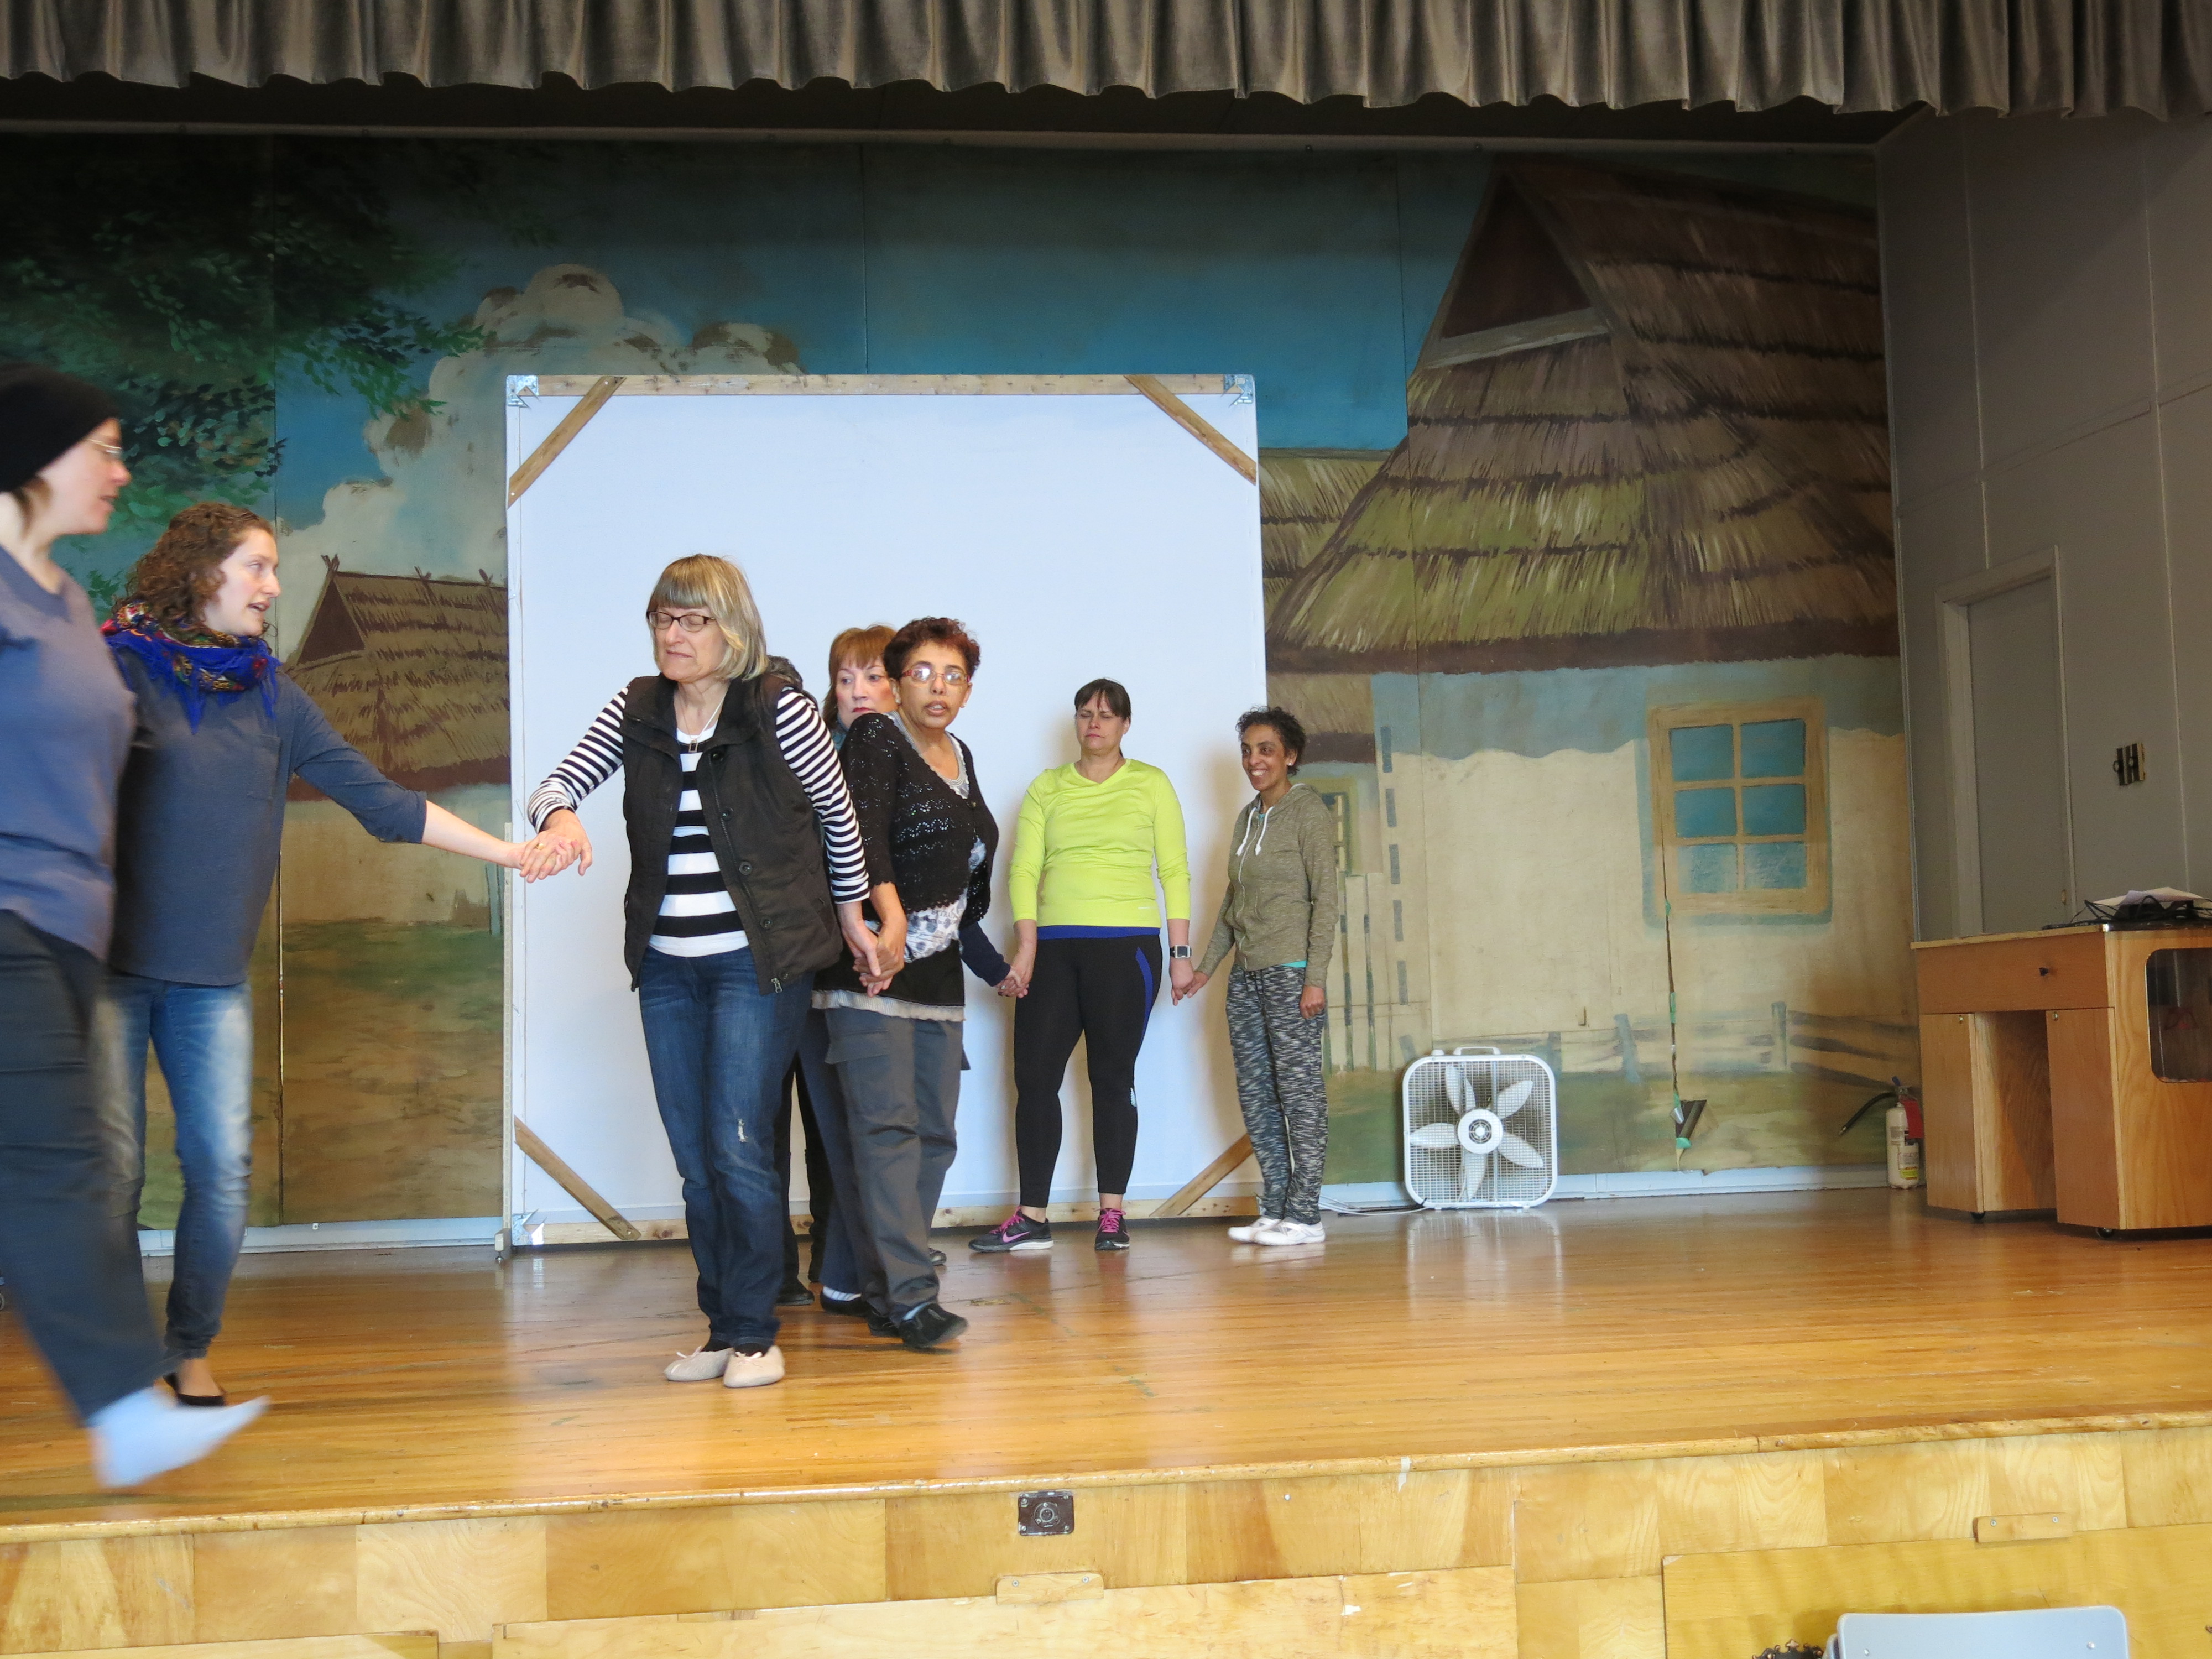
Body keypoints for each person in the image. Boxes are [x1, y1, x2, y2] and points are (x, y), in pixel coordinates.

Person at [96, 502, 533, 1407]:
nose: (273, 585)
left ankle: (188, 1345)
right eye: (256, 566)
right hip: (106, 972)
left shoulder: (274, 695)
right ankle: (118, 1356)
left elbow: (384, 802)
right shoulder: (122, 669)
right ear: (202, 572)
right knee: (114, 1174)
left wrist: (507, 852)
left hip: (209, 978)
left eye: (274, 567)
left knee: (221, 1172)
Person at [0, 362, 264, 1486]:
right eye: (101, 449)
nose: (120, 470)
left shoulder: (61, 599)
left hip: (71, 930)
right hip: (7, 918)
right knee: (64, 1161)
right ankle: (128, 1414)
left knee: (55, 1163)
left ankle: (128, 1412)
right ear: (32, 456)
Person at [523, 555, 877, 1389]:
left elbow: (839, 817)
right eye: (662, 618)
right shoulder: (638, 707)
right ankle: (721, 1329)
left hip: (757, 964)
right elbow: (552, 785)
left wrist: (854, 919)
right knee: (695, 1158)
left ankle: (756, 1335)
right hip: (666, 969)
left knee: (737, 1145)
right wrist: (562, 817)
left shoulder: (779, 708)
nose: (672, 635)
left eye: (692, 620)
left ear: (733, 629)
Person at [801, 626, 1018, 1329]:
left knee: (934, 1137)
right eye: (922, 672)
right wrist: (890, 924)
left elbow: (968, 867)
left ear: (968, 690)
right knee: (887, 1132)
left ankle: (860, 1281)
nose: (937, 686)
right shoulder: (876, 738)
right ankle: (910, 1295)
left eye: (952, 675)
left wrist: (966, 938)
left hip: (937, 972)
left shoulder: (961, 754)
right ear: (897, 684)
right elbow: (861, 837)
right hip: (871, 962)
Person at [973, 679, 1191, 1255]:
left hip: (1127, 948)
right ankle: (1032, 1217)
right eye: (1085, 713)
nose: (1094, 723)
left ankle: (1112, 1215)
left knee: (1112, 1078)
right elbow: (1023, 869)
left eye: (1106, 715)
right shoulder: (1047, 787)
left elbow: (1174, 870)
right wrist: (1026, 946)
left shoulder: (1151, 784)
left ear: (1125, 724)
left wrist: (1181, 956)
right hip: (1054, 947)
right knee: (1034, 1078)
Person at [1176, 706, 1340, 1246]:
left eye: (1265, 750)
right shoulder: (1248, 818)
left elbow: (1327, 900)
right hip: (1246, 976)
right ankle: (1275, 1207)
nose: (1254, 760)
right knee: (1256, 1093)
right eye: (1247, 751)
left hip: (1291, 972)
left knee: (1299, 1094)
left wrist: (1315, 978)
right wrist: (1205, 968)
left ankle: (1306, 1215)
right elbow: (1234, 903)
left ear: (1290, 756)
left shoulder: (1307, 812)